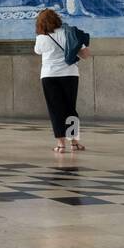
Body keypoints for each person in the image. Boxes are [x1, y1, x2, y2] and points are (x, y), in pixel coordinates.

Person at [34, 8, 88, 153]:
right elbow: (85, 54)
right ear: (57, 19)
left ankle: (60, 144)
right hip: (70, 74)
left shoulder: (41, 37)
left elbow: (38, 51)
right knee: (70, 108)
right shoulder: (69, 32)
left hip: (49, 76)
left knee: (55, 110)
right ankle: (75, 143)